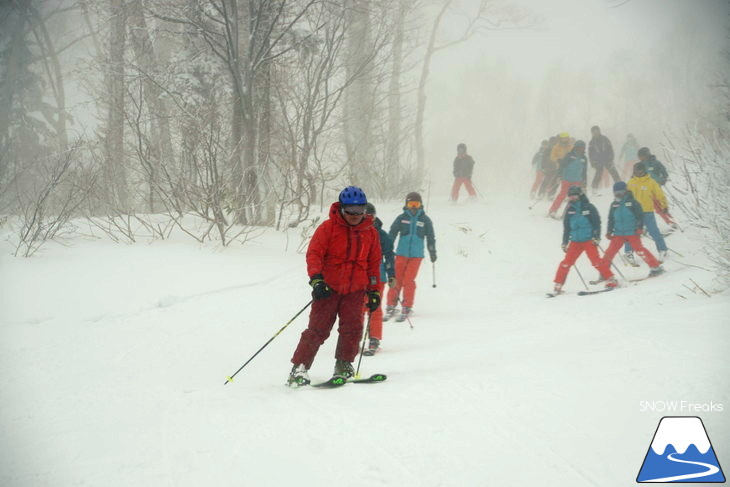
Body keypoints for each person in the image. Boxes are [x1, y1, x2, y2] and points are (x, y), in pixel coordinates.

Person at [287, 186, 382, 387]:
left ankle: (344, 365)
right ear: (341, 209)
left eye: (360, 210)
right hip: (329, 289)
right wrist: (317, 280)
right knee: (318, 330)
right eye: (350, 211)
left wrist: (374, 291)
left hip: (355, 290)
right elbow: (314, 254)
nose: (355, 215)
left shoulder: (370, 233)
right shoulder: (328, 228)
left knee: (353, 329)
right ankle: (299, 368)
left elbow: (374, 264)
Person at [552, 185, 615, 294]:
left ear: (580, 195)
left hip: (588, 240)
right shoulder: (569, 210)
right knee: (566, 263)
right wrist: (565, 242)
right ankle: (558, 284)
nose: (572, 198)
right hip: (575, 241)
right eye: (570, 197)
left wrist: (596, 237)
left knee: (596, 262)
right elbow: (566, 228)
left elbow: (597, 223)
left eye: (575, 196)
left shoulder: (589, 207)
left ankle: (610, 278)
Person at [386, 192, 437, 322]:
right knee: (396, 278)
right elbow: (392, 232)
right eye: (411, 204)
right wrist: (387, 248)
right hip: (401, 254)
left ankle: (407, 305)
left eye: (416, 204)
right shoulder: (401, 218)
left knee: (408, 280)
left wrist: (432, 251)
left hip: (416, 256)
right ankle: (391, 304)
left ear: (420, 205)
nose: (413, 207)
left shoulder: (425, 220)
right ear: (406, 205)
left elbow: (430, 237)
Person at [601, 181, 664, 277]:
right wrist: (609, 231)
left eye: (621, 192)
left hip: (632, 232)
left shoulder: (633, 203)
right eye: (616, 192)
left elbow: (640, 216)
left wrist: (639, 228)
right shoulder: (614, 204)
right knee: (610, 251)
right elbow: (611, 219)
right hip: (618, 234)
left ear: (625, 191)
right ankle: (604, 272)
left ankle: (655, 267)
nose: (618, 194)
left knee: (640, 250)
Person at [363, 203, 395, 355]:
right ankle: (353, 338)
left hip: (378, 277)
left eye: (371, 216)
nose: (369, 219)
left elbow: (389, 256)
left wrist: (391, 274)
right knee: (358, 308)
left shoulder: (382, 235)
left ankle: (374, 338)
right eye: (366, 216)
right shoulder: (355, 232)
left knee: (374, 307)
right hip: (359, 277)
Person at [623, 162, 670, 264]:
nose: (638, 173)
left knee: (654, 231)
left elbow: (660, 195)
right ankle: (628, 252)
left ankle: (663, 249)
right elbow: (625, 197)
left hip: (647, 212)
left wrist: (664, 205)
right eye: (636, 171)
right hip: (634, 213)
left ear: (644, 170)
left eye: (640, 171)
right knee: (631, 232)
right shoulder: (631, 182)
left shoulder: (651, 182)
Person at [548, 139, 587, 218]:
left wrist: (584, 182)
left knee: (574, 198)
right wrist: (559, 176)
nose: (580, 149)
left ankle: (568, 213)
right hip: (567, 179)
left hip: (577, 181)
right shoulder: (569, 155)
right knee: (562, 195)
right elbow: (562, 165)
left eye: (582, 148)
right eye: (579, 147)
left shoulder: (584, 158)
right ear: (575, 147)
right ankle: (552, 210)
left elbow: (584, 171)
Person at [637, 147, 675, 227]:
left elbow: (664, 172)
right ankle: (644, 227)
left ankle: (671, 221)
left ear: (646, 155)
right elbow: (636, 175)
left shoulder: (655, 163)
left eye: (641, 156)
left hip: (655, 188)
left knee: (659, 207)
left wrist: (663, 179)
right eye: (639, 156)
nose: (640, 158)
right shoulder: (641, 165)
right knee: (644, 208)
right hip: (645, 190)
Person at [540, 133, 573, 199]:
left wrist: (571, 161)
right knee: (556, 180)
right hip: (559, 166)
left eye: (566, 138)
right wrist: (558, 160)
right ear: (560, 139)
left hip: (569, 167)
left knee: (568, 181)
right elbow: (552, 156)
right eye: (563, 138)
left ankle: (567, 194)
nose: (565, 139)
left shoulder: (571, 147)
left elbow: (574, 155)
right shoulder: (556, 147)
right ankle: (551, 194)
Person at [588, 125, 620, 191]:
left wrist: (611, 158)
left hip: (607, 159)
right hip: (598, 161)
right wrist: (592, 163)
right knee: (598, 174)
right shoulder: (592, 142)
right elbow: (590, 154)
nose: (595, 133)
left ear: (599, 131)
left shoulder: (605, 139)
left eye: (596, 131)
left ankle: (620, 186)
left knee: (614, 172)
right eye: (593, 132)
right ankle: (594, 188)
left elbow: (610, 148)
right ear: (592, 133)